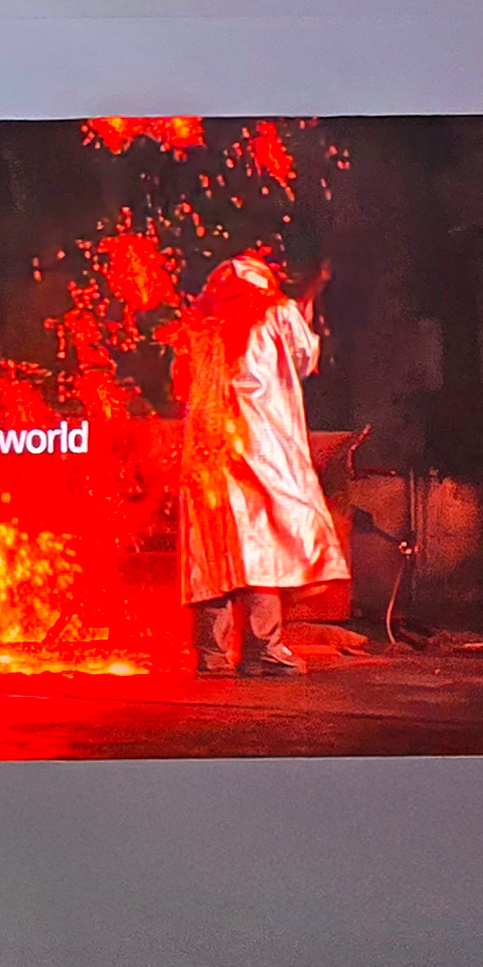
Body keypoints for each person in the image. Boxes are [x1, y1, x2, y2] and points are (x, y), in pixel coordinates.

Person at [172, 237, 347, 677]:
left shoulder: (199, 322)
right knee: (263, 542)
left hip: (208, 452)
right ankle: (261, 650)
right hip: (259, 447)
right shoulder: (275, 310)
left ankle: (210, 653)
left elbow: (179, 384)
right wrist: (307, 304)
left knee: (212, 552)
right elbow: (305, 359)